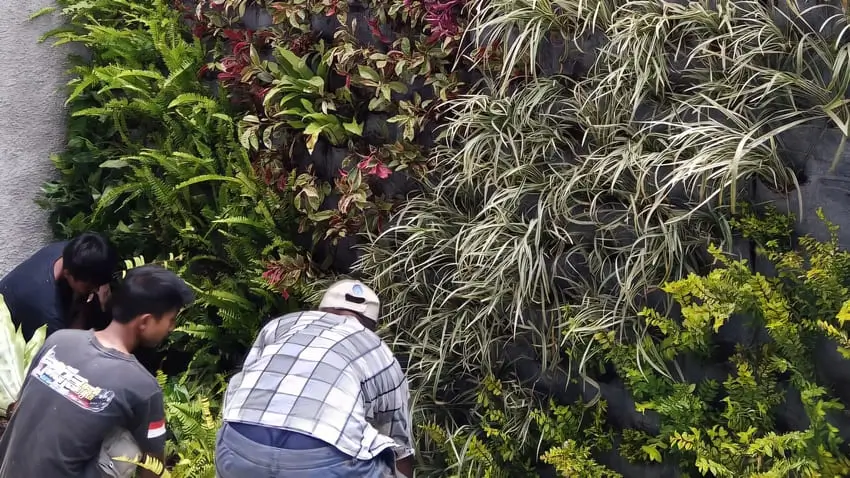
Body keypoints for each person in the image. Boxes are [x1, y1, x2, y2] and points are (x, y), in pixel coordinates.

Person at [0, 264, 195, 478]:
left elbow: (17, 407)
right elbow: (153, 466)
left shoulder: (59, 340)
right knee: (127, 445)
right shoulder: (143, 386)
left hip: (8, 469)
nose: (172, 328)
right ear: (146, 321)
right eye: (171, 319)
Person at [217, 279, 415, 478]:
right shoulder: (379, 350)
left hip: (239, 444)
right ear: (371, 325)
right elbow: (400, 445)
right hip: (323, 461)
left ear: (320, 310)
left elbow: (243, 382)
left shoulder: (282, 325)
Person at [0, 232, 118, 341]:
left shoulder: (72, 253)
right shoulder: (48, 312)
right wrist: (83, 309)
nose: (96, 289)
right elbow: (67, 349)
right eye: (90, 286)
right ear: (67, 274)